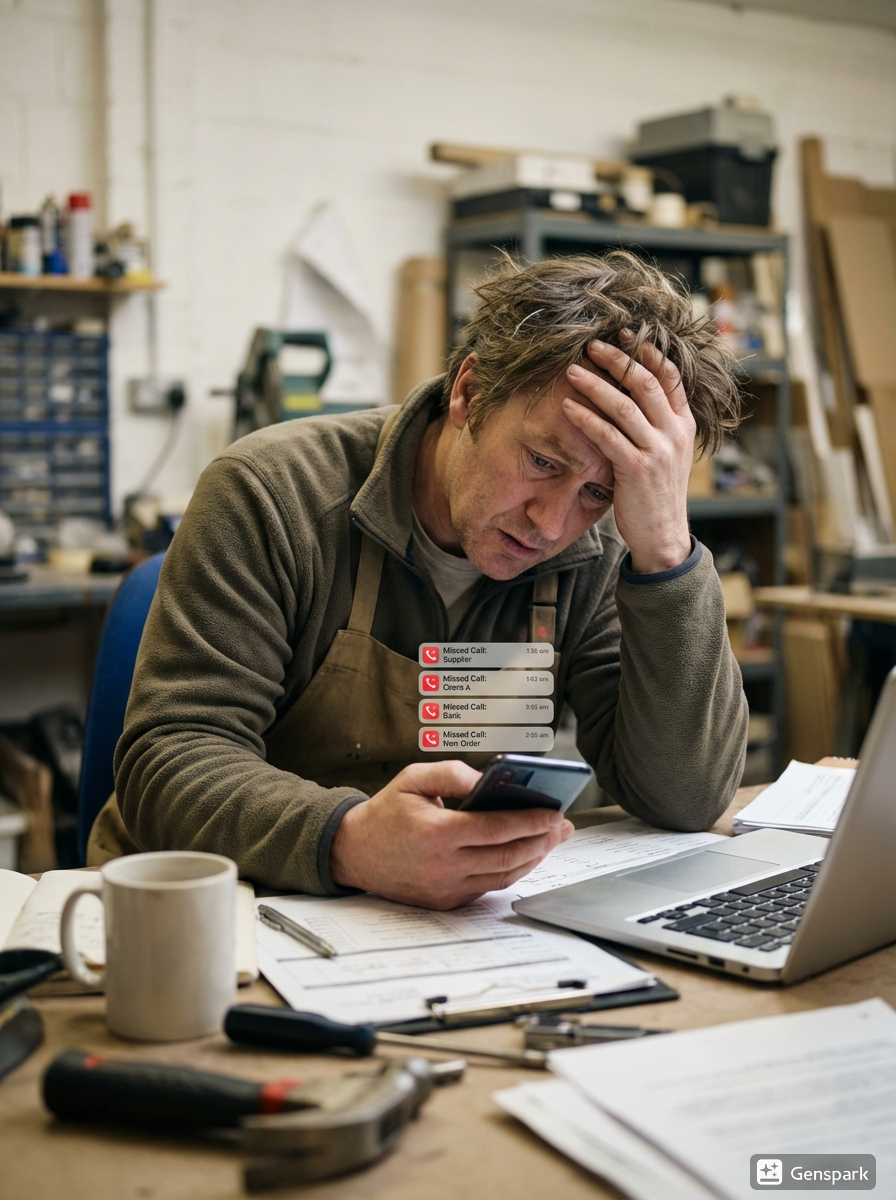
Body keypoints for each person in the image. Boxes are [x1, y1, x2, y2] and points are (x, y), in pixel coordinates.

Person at [90, 251, 748, 910]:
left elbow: (684, 799)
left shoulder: (600, 547)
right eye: (543, 461)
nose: (552, 524)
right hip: (224, 915)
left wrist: (666, 552)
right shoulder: (269, 495)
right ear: (468, 392)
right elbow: (169, 762)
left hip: (441, 930)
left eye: (600, 490)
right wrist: (347, 840)